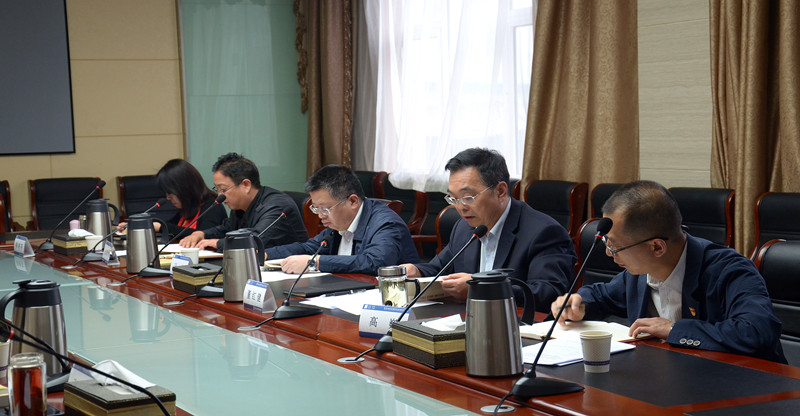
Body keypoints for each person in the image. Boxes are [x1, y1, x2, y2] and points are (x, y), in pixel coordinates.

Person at [551, 180, 786, 363]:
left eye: (615, 246)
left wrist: (673, 329)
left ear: (657, 247)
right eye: (607, 243)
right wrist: (579, 303)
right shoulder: (638, 273)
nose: (609, 253)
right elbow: (602, 295)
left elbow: (757, 332)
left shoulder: (728, 271)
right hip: (670, 380)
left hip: (739, 387)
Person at [402, 148, 576, 308]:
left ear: (500, 191)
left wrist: (481, 289)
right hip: (470, 320)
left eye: (468, 197)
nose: (461, 207)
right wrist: (417, 271)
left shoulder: (544, 232)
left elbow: (548, 293)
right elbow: (439, 268)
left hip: (519, 326)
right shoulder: (464, 228)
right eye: (453, 198)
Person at [268, 165, 420, 275]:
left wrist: (314, 262)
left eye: (325, 209)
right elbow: (309, 248)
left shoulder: (386, 224)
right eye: (316, 208)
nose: (320, 215)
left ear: (353, 201)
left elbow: (375, 263)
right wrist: (263, 255)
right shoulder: (338, 224)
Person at [179, 153, 308, 251]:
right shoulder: (240, 207)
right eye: (217, 189)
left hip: (291, 271)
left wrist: (217, 243)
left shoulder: (277, 205)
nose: (219, 195)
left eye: (223, 189)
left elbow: (256, 240)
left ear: (246, 185)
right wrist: (201, 234)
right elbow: (227, 228)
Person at [153, 159, 227, 238]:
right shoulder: (187, 208)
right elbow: (172, 226)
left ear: (184, 187)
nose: (168, 197)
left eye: (170, 192)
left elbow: (204, 235)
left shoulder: (212, 206)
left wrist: (162, 227)